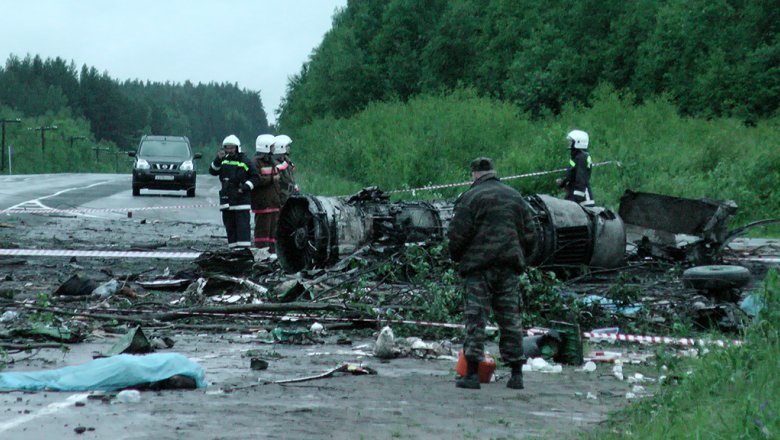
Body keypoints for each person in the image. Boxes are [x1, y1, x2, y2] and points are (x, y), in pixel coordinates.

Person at [447, 157, 533, 390]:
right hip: (508, 268)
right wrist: (522, 258)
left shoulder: (470, 198)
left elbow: (457, 235)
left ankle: (472, 374)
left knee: (476, 318)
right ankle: (516, 375)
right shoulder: (515, 197)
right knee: (511, 320)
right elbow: (530, 233)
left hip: (479, 269)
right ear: (493, 172)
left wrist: (457, 257)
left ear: (474, 174)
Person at [209, 134, 260, 249]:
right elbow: (212, 171)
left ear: (237, 147)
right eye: (227, 147)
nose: (229, 150)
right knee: (230, 227)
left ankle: (243, 253)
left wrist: (245, 187)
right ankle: (233, 252)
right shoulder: (223, 160)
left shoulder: (244, 161)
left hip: (241, 201)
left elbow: (256, 177)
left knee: (242, 228)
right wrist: (218, 159)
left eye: (232, 148)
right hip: (227, 201)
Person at [251, 134, 281, 252]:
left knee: (273, 230)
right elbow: (256, 180)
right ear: (266, 147)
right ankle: (261, 252)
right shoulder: (255, 163)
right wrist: (272, 179)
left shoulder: (272, 162)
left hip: (273, 202)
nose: (274, 148)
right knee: (262, 230)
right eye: (272, 146)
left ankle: (272, 252)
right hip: (262, 203)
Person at [556, 129, 595, 206]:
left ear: (578, 142)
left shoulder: (582, 157)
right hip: (572, 194)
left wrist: (576, 199)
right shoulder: (576, 157)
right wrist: (563, 182)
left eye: (571, 141)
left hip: (583, 199)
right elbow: (571, 174)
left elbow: (581, 179)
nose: (569, 143)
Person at [272, 134, 298, 207]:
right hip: (282, 195)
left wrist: (295, 186)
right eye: (287, 146)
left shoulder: (287, 161)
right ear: (281, 147)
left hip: (290, 193)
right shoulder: (276, 163)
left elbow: (291, 176)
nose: (289, 148)